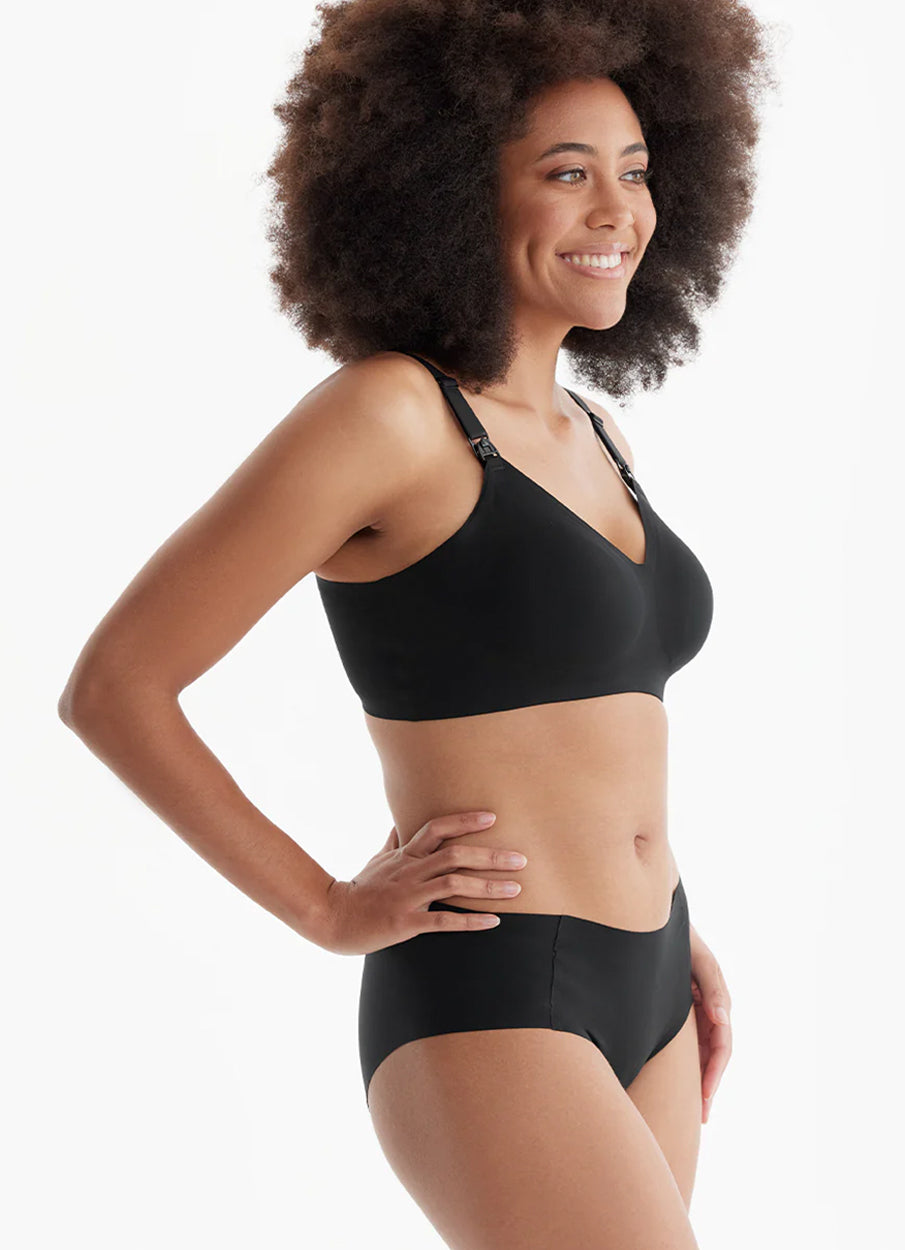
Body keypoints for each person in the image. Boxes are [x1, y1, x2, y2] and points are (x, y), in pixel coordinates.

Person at [59, 2, 776, 1245]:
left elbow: (587, 732)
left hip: (654, 968)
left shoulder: (596, 433)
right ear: (449, 189)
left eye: (637, 170)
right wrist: (325, 906)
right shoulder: (388, 416)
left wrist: (669, 922)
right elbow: (116, 686)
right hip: (496, 976)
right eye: (567, 173)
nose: (618, 211)